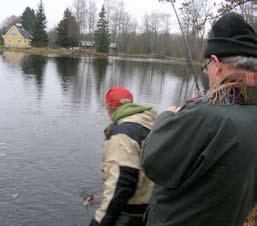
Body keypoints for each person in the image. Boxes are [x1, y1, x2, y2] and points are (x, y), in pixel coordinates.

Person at [141, 12, 257, 226]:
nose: (208, 73)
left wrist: (168, 115)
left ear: (217, 63)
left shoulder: (204, 115)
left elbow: (152, 161)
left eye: (208, 68)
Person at [89, 86, 157, 226]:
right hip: (153, 209)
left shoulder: (122, 134)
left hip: (131, 214)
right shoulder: (152, 123)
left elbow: (121, 182)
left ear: (110, 108)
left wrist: (99, 222)